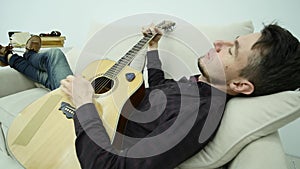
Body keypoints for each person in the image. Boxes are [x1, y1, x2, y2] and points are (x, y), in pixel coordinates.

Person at [64, 23, 299, 169]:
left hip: (90, 136)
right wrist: (152, 48)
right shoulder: (206, 83)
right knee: (58, 66)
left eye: (231, 50)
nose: (218, 43)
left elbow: (108, 167)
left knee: (55, 62)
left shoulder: (196, 115)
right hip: (100, 110)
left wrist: (84, 103)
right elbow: (161, 91)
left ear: (239, 84)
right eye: (231, 40)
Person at [0, 35, 73, 91]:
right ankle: (12, 58)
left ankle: (26, 56)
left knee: (54, 54)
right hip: (75, 93)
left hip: (72, 96)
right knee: (48, 76)